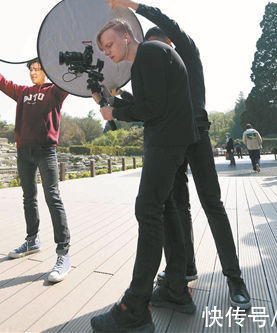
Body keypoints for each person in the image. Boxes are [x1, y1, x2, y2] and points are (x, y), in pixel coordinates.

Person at [105, 0, 251, 313]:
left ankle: (235, 280)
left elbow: (168, 24)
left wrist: (134, 6)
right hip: (171, 136)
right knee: (175, 206)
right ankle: (185, 271)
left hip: (195, 134)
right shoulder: (151, 62)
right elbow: (151, 105)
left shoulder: (182, 51)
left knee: (212, 204)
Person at [90, 18, 197, 332]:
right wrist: (114, 99)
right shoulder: (154, 54)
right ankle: (176, 289)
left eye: (109, 44)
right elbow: (154, 102)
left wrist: (114, 113)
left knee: (148, 210)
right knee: (166, 209)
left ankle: (135, 307)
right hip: (175, 139)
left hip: (164, 140)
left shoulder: (148, 53)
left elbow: (152, 109)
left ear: (126, 35)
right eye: (103, 48)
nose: (107, 52)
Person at [0, 41, 72, 283]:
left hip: (46, 151)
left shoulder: (55, 91)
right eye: (30, 69)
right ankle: (32, 240)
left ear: (47, 70)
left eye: (37, 68)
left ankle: (63, 254)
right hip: (24, 152)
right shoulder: (23, 93)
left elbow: (69, 78)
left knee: (53, 197)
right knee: (28, 197)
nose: (33, 72)